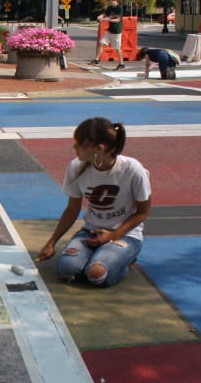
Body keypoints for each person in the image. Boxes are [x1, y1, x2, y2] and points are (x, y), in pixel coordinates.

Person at [36, 117, 152, 287]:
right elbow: (72, 208)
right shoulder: (76, 166)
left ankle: (122, 261)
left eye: (79, 144)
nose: (74, 147)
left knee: (96, 275)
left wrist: (112, 236)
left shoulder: (132, 169)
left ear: (99, 149)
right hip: (91, 232)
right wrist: (51, 242)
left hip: (124, 235)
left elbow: (143, 211)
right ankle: (103, 256)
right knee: (67, 271)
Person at [90, 0, 125, 70]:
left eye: (111, 2)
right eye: (109, 2)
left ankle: (121, 64)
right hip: (110, 30)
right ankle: (96, 59)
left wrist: (107, 20)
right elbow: (104, 13)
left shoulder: (119, 8)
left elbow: (117, 20)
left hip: (117, 31)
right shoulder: (110, 8)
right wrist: (101, 16)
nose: (110, 4)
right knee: (101, 42)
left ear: (115, 0)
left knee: (117, 48)